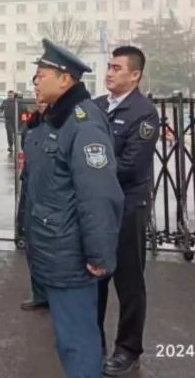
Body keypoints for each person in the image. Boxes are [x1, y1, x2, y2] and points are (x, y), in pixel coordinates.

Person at [25, 39, 123, 378]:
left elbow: (98, 195)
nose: (35, 81)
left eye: (41, 75)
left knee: (77, 342)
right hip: (54, 249)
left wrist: (99, 254)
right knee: (68, 339)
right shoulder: (54, 119)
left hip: (71, 255)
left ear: (65, 79)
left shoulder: (83, 123)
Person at [93, 46, 158, 376]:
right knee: (95, 275)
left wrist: (89, 172)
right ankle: (93, 341)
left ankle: (128, 348)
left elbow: (131, 165)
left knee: (128, 280)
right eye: (109, 66)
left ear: (135, 75)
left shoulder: (144, 113)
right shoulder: (95, 107)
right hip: (97, 206)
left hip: (127, 205)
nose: (109, 72)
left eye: (117, 68)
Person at [19, 94, 50, 312]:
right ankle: (39, 293)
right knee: (32, 243)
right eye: (38, 98)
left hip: (50, 192)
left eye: (44, 99)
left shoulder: (63, 124)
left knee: (51, 244)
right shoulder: (31, 125)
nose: (40, 102)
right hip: (29, 188)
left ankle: (55, 294)